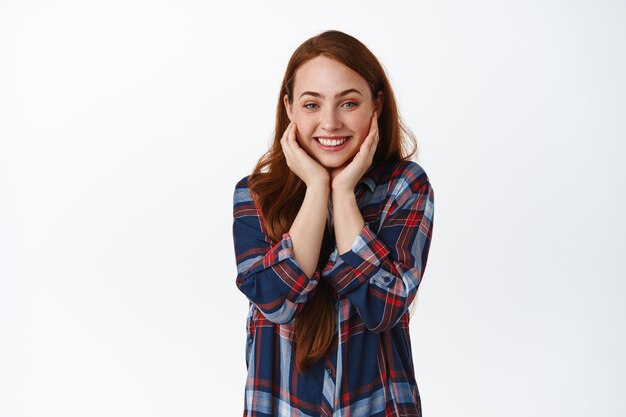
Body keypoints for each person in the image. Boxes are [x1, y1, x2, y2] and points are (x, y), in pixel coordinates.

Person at [232, 29, 435, 417]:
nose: (330, 122)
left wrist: (342, 193)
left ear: (376, 105)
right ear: (289, 108)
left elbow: (384, 306)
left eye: (348, 103)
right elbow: (276, 301)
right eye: (312, 105)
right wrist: (316, 187)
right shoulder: (254, 195)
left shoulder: (405, 187)